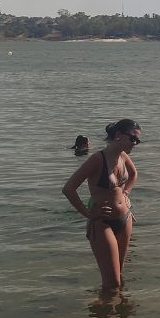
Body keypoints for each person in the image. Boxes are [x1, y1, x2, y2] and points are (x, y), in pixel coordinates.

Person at [62, 119, 141, 291]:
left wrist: (126, 193)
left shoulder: (123, 156)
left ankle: (116, 314)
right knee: (112, 283)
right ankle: (104, 314)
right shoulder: (97, 159)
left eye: (138, 140)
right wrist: (87, 213)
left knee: (119, 277)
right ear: (119, 136)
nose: (135, 143)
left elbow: (134, 174)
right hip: (102, 223)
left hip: (125, 219)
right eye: (133, 139)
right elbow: (69, 189)